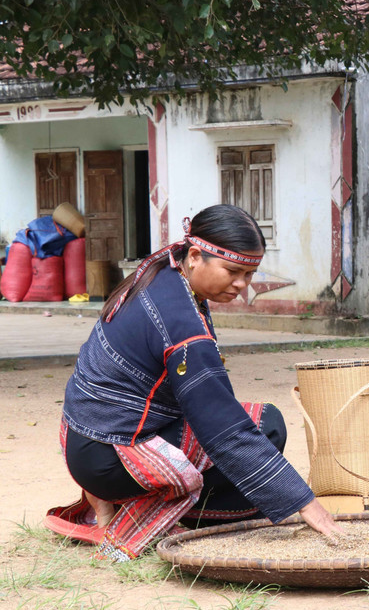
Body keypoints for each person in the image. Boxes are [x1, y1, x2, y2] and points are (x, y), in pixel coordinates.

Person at [45, 205, 342, 561]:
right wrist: (303, 502)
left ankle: (113, 500)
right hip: (112, 457)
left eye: (250, 274)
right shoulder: (182, 325)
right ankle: (154, 514)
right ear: (197, 256)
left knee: (253, 440)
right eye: (233, 271)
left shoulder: (162, 270)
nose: (242, 285)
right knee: (266, 432)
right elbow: (224, 429)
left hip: (83, 438)